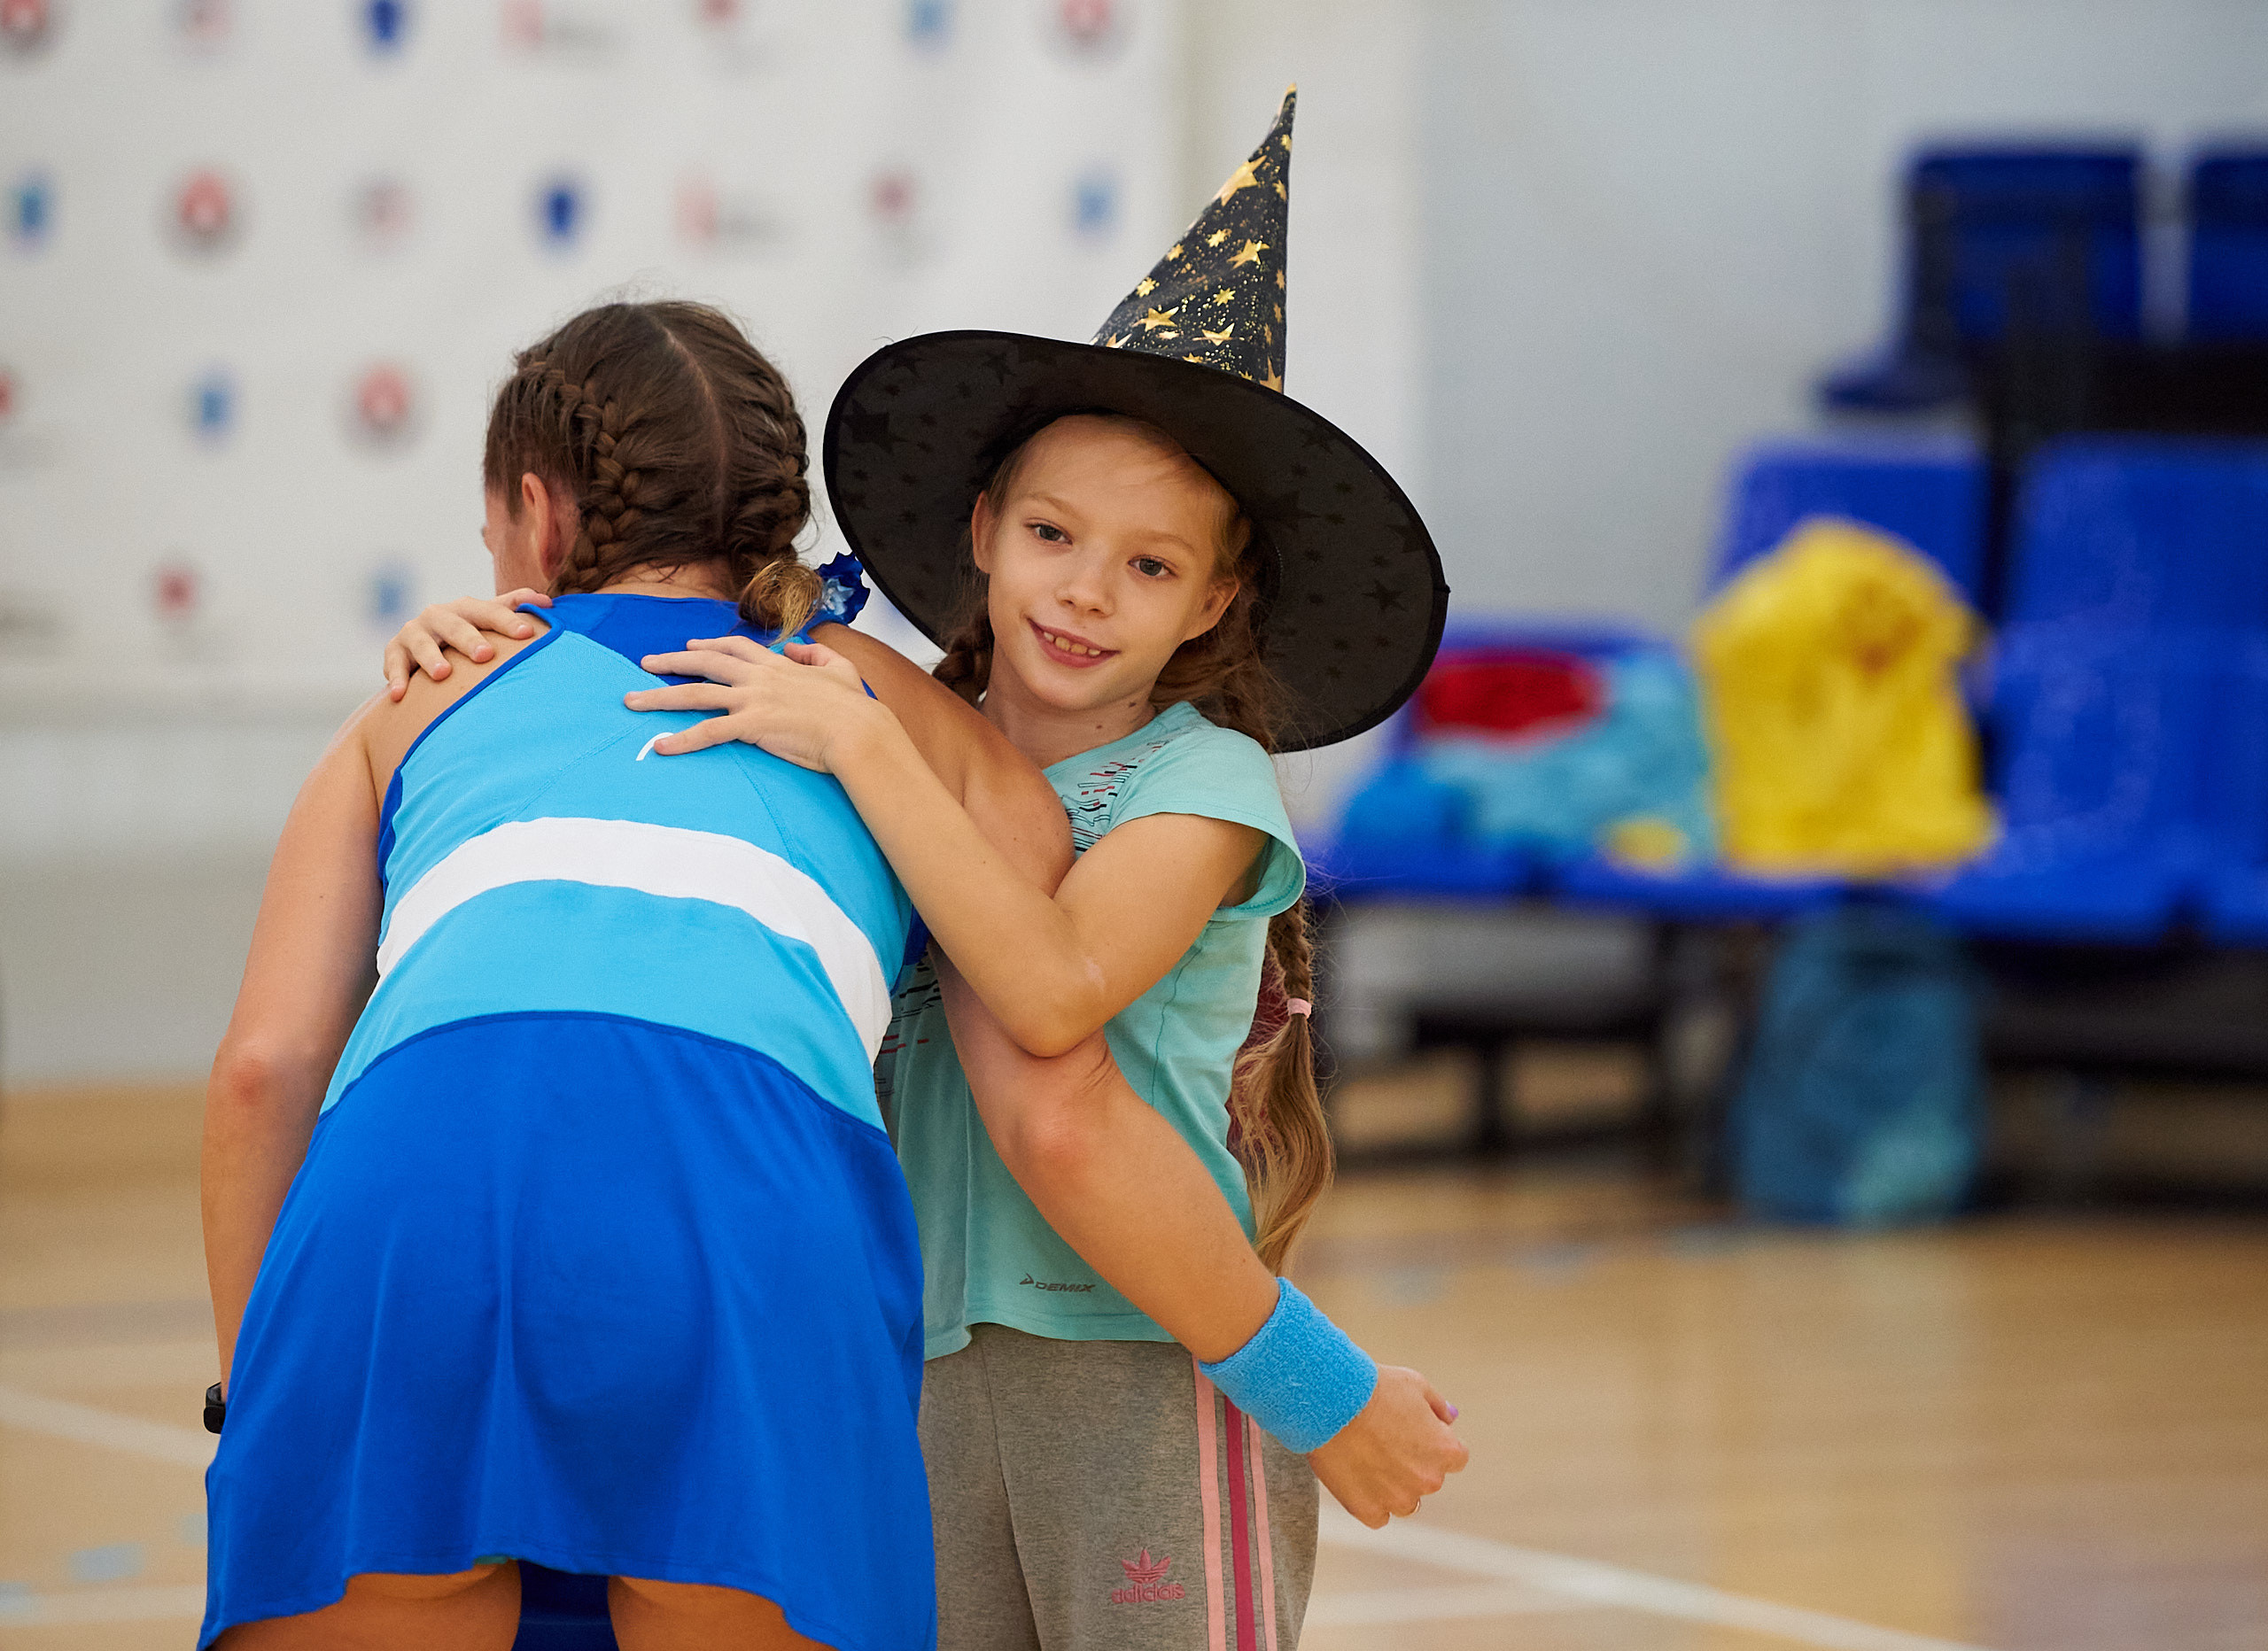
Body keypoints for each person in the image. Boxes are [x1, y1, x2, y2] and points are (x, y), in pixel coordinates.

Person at [395, 92, 1463, 1651]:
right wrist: (470, 633)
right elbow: (671, 638)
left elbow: (1051, 992)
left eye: (1151, 565)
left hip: (1150, 1362)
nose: (1086, 592)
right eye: (1052, 533)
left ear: (1217, 599)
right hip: (909, 1364)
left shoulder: (1203, 785)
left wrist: (1320, 1389)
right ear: (983, 527)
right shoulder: (896, 724)